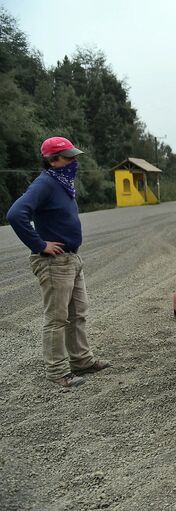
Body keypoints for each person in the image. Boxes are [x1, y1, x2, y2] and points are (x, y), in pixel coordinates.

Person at [7, 136, 111, 388]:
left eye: (74, 156)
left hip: (70, 258)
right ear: (53, 160)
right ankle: (56, 372)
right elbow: (15, 214)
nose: (74, 161)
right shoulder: (45, 184)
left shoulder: (62, 183)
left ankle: (81, 361)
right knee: (57, 318)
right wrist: (40, 245)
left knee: (78, 313)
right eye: (69, 157)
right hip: (54, 263)